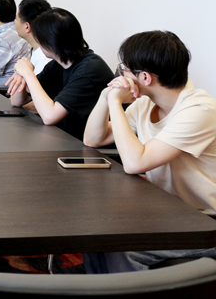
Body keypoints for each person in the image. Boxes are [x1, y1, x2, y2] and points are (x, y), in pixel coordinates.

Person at [83, 31, 216, 272]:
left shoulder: (199, 109)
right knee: (95, 226)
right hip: (167, 208)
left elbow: (135, 163)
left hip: (205, 219)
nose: (121, 75)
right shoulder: (146, 103)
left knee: (126, 245)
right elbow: (94, 139)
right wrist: (106, 96)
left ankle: (122, 288)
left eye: (124, 69)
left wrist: (116, 103)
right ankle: (99, 285)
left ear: (144, 77)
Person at [7, 8, 113, 140]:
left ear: (51, 42)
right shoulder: (57, 64)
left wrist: (28, 74)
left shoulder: (89, 70)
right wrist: (21, 74)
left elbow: (49, 117)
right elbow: (17, 101)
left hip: (88, 145)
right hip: (65, 138)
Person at [13, 0, 53, 76]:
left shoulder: (44, 58)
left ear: (27, 26)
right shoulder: (38, 49)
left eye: (16, 20)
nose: (15, 23)